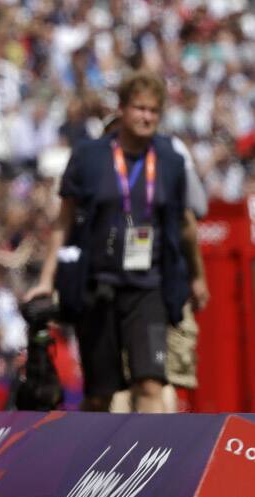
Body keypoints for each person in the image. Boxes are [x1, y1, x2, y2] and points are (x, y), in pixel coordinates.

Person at [25, 70, 197, 413]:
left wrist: (197, 276)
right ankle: (94, 460)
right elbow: (63, 222)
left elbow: (183, 223)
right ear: (122, 109)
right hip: (97, 286)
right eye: (139, 108)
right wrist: (46, 280)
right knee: (102, 394)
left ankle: (153, 464)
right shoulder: (90, 156)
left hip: (148, 288)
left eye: (153, 110)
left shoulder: (171, 161)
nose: (146, 117)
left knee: (150, 383)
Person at [99, 117, 210, 414]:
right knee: (125, 383)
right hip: (117, 288)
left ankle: (159, 453)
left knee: (160, 379)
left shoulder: (169, 156)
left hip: (163, 284)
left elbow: (196, 209)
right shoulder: (96, 167)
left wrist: (196, 277)